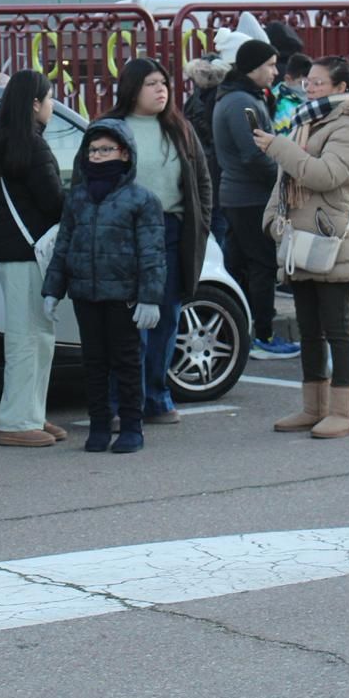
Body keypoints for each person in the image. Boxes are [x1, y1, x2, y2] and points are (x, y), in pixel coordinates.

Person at [259, 60, 349, 437]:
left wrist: (279, 147)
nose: (308, 87)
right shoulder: (306, 120)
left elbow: (325, 175)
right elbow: (286, 181)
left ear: (341, 86)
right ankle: (313, 407)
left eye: (317, 82)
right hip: (298, 236)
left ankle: (343, 413)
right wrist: (271, 221)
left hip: (332, 239)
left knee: (337, 327)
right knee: (309, 328)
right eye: (308, 81)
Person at [98, 57, 213, 424]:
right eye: (151, 83)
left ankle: (156, 396)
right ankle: (120, 401)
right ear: (132, 88)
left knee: (165, 320)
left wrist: (201, 225)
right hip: (127, 234)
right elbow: (93, 184)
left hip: (172, 231)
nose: (161, 89)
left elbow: (203, 183)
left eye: (163, 82)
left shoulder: (180, 129)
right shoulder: (111, 128)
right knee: (127, 322)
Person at [41, 120, 166, 454]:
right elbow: (63, 246)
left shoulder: (142, 200)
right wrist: (52, 289)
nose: (97, 156)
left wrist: (150, 297)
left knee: (126, 362)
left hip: (124, 296)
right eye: (93, 150)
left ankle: (131, 427)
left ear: (124, 154)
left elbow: (153, 253)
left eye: (106, 149)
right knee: (94, 363)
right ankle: (98, 425)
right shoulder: (78, 197)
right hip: (86, 294)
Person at [0, 70, 68, 447]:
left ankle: (31, 412)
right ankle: (17, 420)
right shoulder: (32, 147)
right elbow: (54, 202)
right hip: (28, 251)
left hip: (15, 250)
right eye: (49, 99)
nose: (51, 105)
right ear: (35, 104)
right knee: (28, 337)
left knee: (36, 335)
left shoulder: (4, 139)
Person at [213, 40, 299, 358]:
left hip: (240, 195)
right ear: (252, 67)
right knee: (262, 264)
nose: (275, 72)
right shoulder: (241, 103)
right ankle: (261, 334)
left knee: (239, 265)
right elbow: (254, 154)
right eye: (270, 65)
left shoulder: (242, 98)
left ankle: (241, 332)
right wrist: (282, 179)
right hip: (249, 197)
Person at [185, 53, 231, 249]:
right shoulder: (221, 96)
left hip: (199, 164)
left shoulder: (195, 96)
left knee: (210, 219)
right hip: (218, 166)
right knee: (220, 222)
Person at [272, 53, 313, 134]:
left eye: (312, 83)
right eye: (304, 84)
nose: (308, 88)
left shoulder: (312, 97)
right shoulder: (274, 101)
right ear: (288, 79)